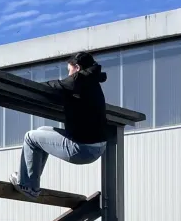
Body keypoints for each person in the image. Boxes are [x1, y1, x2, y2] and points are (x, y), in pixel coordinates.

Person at [10, 51, 109, 199]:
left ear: (76, 67)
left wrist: (32, 87)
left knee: (30, 137)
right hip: (98, 146)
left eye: (69, 70)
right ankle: (31, 181)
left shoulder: (79, 79)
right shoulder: (91, 82)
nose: (68, 74)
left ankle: (28, 186)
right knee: (42, 130)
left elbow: (57, 86)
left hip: (82, 149)